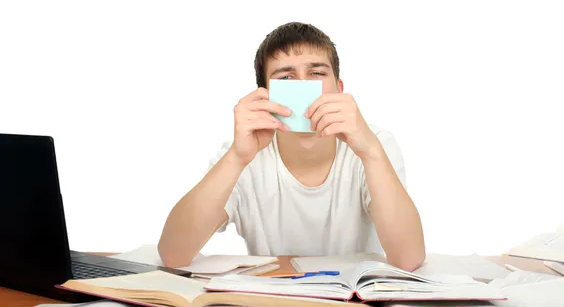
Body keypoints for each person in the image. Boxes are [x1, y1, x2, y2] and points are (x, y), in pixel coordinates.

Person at [158, 22, 425, 271]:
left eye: (316, 73)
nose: (303, 86)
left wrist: (371, 152)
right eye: (286, 78)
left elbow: (408, 259)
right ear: (264, 95)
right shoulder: (243, 152)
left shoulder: (375, 145)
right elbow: (173, 254)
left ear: (339, 90)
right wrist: (236, 158)